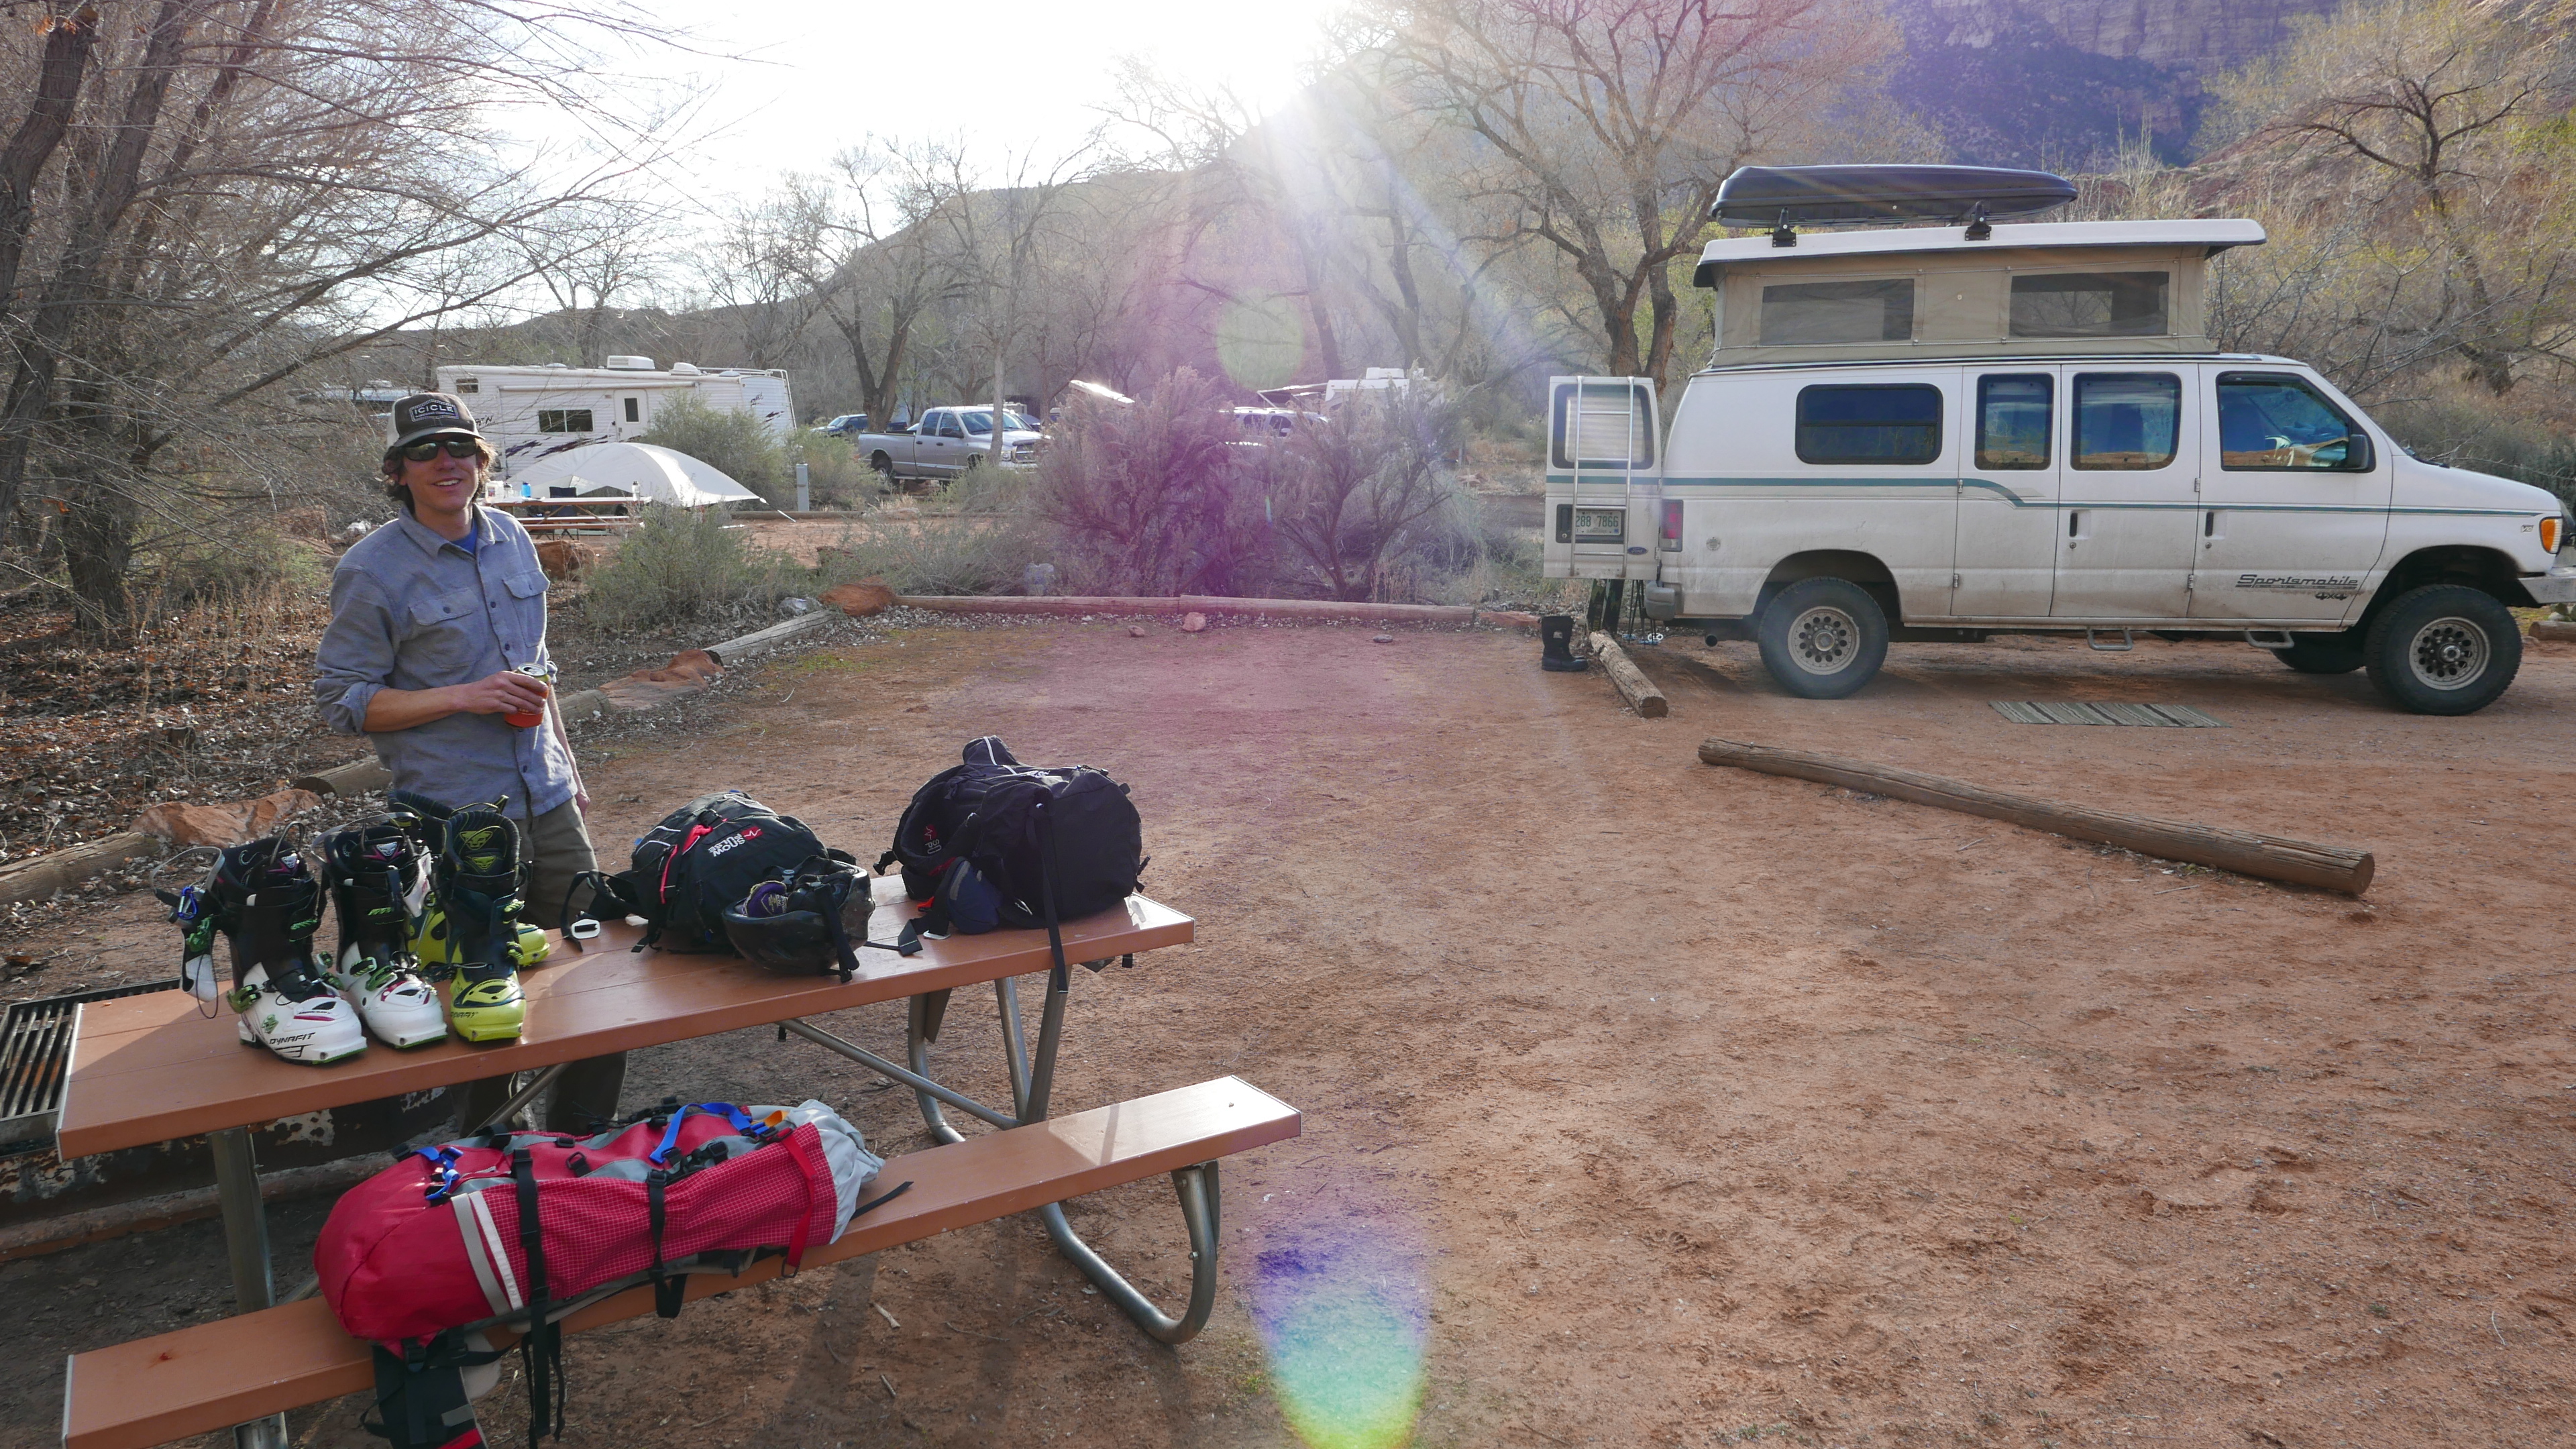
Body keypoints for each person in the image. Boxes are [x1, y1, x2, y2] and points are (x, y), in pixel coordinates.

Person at [313, 392, 623, 1132]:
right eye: (425, 451)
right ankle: (491, 1156)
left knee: (598, 979)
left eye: (461, 449)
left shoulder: (513, 538)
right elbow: (342, 701)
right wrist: (463, 695)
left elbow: (539, 671)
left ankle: (579, 1148)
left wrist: (571, 776)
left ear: (483, 463)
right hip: (453, 815)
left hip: (546, 799)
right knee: (479, 994)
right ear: (398, 471)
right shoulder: (372, 570)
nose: (446, 463)